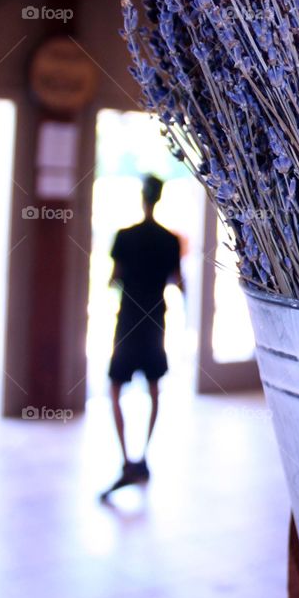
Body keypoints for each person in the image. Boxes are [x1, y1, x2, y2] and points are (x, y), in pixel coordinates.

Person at [100, 174, 183, 500]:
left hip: (128, 321)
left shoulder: (124, 236)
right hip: (154, 322)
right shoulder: (169, 240)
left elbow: (114, 278)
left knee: (116, 389)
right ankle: (143, 456)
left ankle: (126, 460)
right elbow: (178, 280)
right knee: (154, 389)